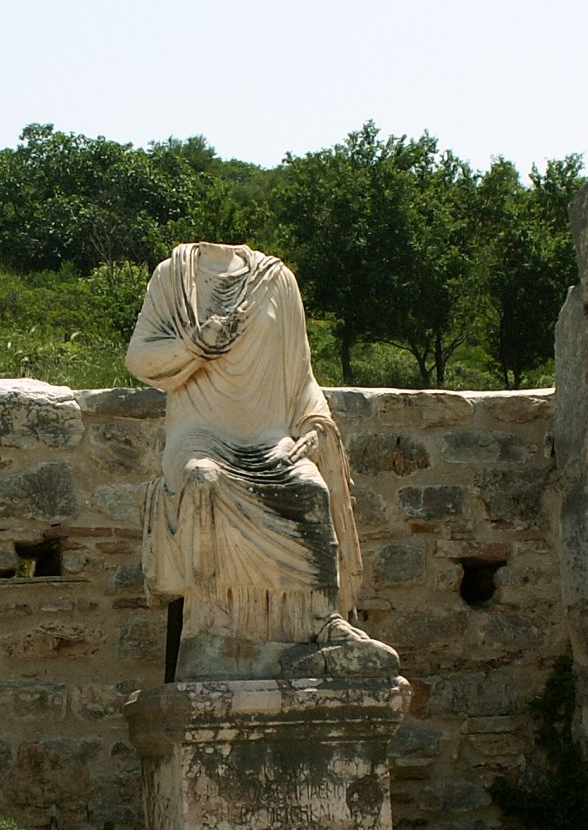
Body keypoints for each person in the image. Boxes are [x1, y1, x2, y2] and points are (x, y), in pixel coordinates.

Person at [125, 241, 397, 679]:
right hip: (198, 434)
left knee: (309, 488)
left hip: (267, 437)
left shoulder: (277, 281)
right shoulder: (173, 277)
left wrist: (312, 425)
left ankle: (322, 618)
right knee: (203, 481)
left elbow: (301, 373)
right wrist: (195, 345)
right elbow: (139, 359)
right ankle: (213, 626)